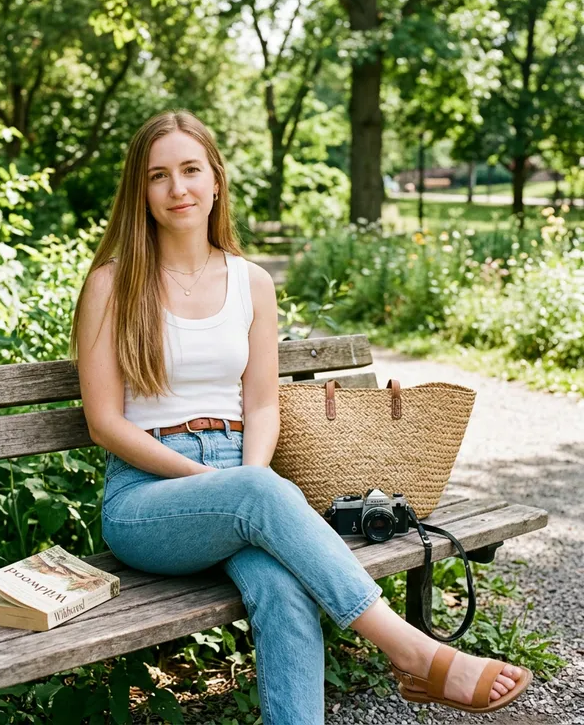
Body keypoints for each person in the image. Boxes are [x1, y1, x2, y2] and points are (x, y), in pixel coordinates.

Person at [68, 109, 532, 724]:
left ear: (216, 181)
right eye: (159, 176)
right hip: (147, 500)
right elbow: (104, 423)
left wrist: (246, 478)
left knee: (285, 592)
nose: (177, 188)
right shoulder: (112, 285)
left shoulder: (251, 283)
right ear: (141, 190)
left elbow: (262, 403)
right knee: (256, 495)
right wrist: (231, 486)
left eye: (190, 170)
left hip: (244, 481)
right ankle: (415, 652)